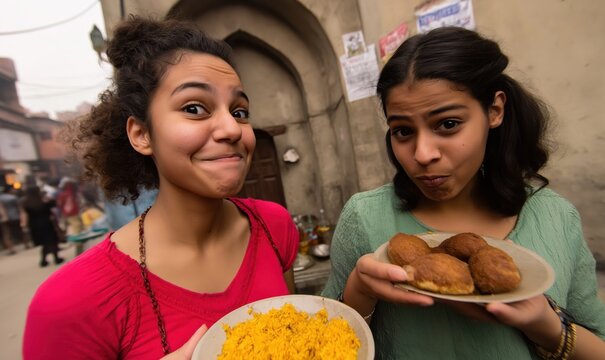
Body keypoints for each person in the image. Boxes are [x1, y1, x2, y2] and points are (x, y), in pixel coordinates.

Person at [23, 16, 299, 359]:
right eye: (194, 108)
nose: (232, 128)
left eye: (240, 111)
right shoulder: (70, 302)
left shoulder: (273, 227)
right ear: (141, 134)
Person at [322, 27, 605, 359]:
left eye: (448, 124)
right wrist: (360, 291)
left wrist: (545, 324)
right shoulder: (364, 218)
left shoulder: (556, 217)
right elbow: (328, 341)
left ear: (494, 110)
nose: (423, 153)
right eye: (402, 131)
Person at [20, 186, 64, 267]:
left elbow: (25, 215)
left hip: (34, 226)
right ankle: (56, 258)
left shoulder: (26, 203)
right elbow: (54, 204)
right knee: (52, 241)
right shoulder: (43, 200)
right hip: (47, 223)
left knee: (45, 243)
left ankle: (44, 260)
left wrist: (24, 226)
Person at [0, 186, 29, 253]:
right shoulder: (13, 197)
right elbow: (19, 208)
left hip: (3, 219)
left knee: (6, 233)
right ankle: (26, 244)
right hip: (15, 216)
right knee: (21, 231)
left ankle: (11, 249)